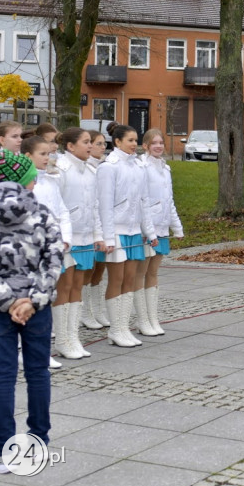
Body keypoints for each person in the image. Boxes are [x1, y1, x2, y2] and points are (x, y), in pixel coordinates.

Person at [0, 151, 63, 474]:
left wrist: (7, 301)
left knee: (3, 376)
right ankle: (37, 443)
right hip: (36, 308)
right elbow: (54, 260)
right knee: (37, 373)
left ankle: (1, 447)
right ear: (26, 181)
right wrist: (32, 300)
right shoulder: (44, 214)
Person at [97, 124, 156, 347]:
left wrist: (149, 232)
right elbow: (104, 205)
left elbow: (144, 202)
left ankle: (123, 327)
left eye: (135, 140)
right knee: (117, 279)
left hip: (133, 232)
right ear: (118, 142)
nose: (134, 144)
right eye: (129, 140)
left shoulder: (138, 167)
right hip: (117, 232)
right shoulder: (109, 167)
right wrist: (109, 238)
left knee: (130, 280)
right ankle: (115, 328)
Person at [23, 135, 75, 364]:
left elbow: (62, 212)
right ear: (27, 156)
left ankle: (41, 349)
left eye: (48, 154)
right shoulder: (22, 185)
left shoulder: (51, 181)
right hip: (32, 252)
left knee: (45, 300)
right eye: (42, 154)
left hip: (52, 249)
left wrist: (64, 238)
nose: (47, 158)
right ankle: (25, 350)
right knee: (29, 300)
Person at [56, 128, 102, 351]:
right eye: (85, 142)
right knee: (64, 288)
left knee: (77, 288)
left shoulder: (90, 171)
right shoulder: (61, 170)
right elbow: (58, 207)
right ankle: (62, 339)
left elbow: (94, 208)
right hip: (68, 240)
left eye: (90, 142)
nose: (90, 146)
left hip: (85, 238)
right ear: (71, 146)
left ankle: (73, 337)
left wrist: (97, 235)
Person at [136, 129, 183, 336]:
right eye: (154, 143)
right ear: (145, 146)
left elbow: (169, 201)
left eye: (161, 142)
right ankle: (142, 319)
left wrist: (177, 226)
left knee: (153, 273)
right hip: (147, 228)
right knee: (141, 272)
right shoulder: (141, 167)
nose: (158, 146)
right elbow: (142, 201)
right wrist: (147, 229)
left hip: (162, 226)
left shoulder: (166, 169)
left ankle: (153, 317)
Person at [82, 129, 111, 329]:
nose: (102, 148)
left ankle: (98, 309)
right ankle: (86, 312)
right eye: (99, 144)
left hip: (103, 222)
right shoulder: (86, 168)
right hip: (90, 225)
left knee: (100, 269)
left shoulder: (104, 167)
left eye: (104, 144)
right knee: (88, 269)